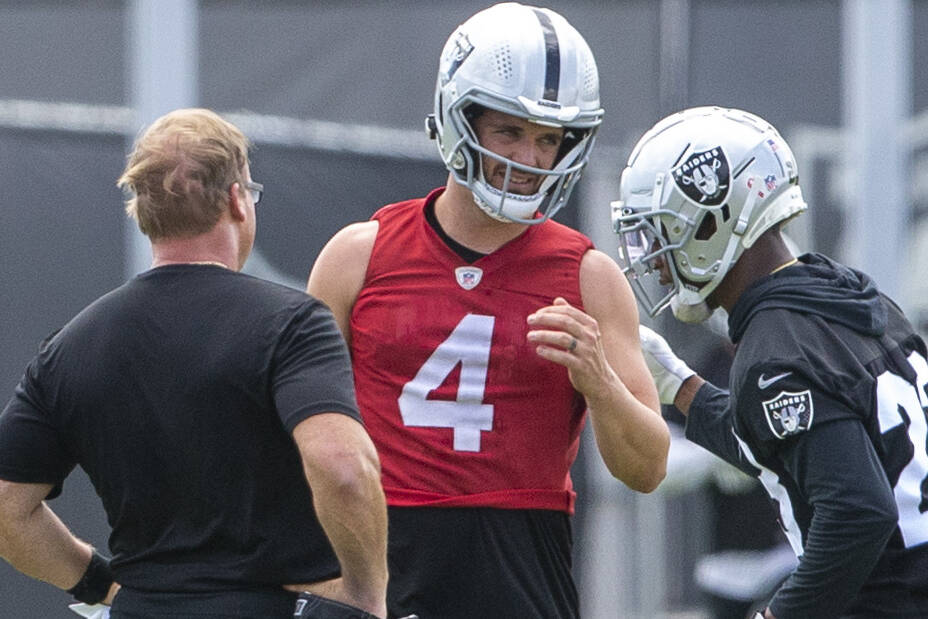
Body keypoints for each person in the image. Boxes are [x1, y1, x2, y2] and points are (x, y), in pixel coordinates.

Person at [307, 4, 669, 618]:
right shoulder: (358, 255)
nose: (530, 159)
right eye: (509, 131)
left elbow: (647, 468)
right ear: (458, 117)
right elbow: (293, 435)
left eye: (548, 139)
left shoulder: (590, 276)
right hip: (376, 556)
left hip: (520, 566)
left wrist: (600, 382)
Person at [0, 108, 389, 619]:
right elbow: (342, 467)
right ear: (236, 200)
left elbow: (7, 506)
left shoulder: (71, 347)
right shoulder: (292, 324)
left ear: (143, 210)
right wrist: (366, 595)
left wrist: (100, 583)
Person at [613, 105, 928, 618]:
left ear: (711, 224)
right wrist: (681, 388)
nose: (655, 261)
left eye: (662, 231)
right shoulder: (846, 296)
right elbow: (794, 452)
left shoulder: (775, 348)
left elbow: (858, 512)